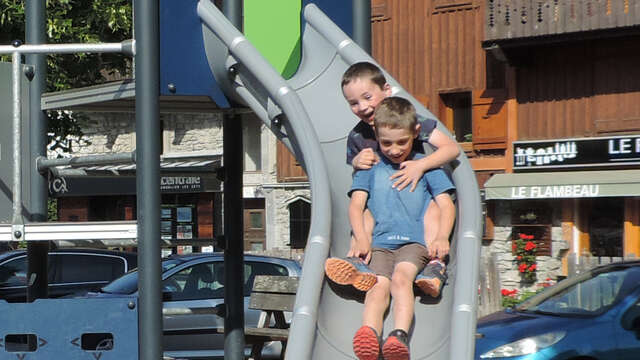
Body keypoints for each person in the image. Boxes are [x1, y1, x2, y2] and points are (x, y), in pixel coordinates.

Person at [326, 97, 456, 360]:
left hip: (414, 244)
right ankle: (369, 333)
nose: (394, 149)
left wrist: (442, 236)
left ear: (415, 134)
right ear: (376, 135)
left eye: (402, 142)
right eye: (386, 142)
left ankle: (398, 336)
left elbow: (446, 205)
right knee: (377, 286)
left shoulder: (425, 167)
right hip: (380, 245)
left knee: (401, 280)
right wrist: (361, 238)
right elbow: (356, 205)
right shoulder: (370, 167)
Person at [341, 61, 459, 295]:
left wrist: (420, 166)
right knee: (362, 210)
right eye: (353, 103)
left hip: (415, 194)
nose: (362, 107)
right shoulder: (357, 135)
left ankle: (435, 263)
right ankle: (359, 259)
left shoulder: (409, 120)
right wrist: (356, 162)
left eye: (367, 97)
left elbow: (451, 149)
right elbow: (358, 177)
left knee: (435, 208)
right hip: (383, 203)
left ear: (386, 90)